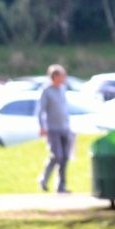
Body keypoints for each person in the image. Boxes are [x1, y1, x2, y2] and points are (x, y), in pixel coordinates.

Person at [35, 63, 73, 194]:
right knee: (57, 156)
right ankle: (44, 180)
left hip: (65, 128)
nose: (64, 78)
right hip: (53, 129)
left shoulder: (62, 88)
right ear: (55, 76)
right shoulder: (46, 91)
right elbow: (40, 111)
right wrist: (42, 126)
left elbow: (64, 108)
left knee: (65, 157)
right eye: (62, 75)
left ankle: (61, 186)